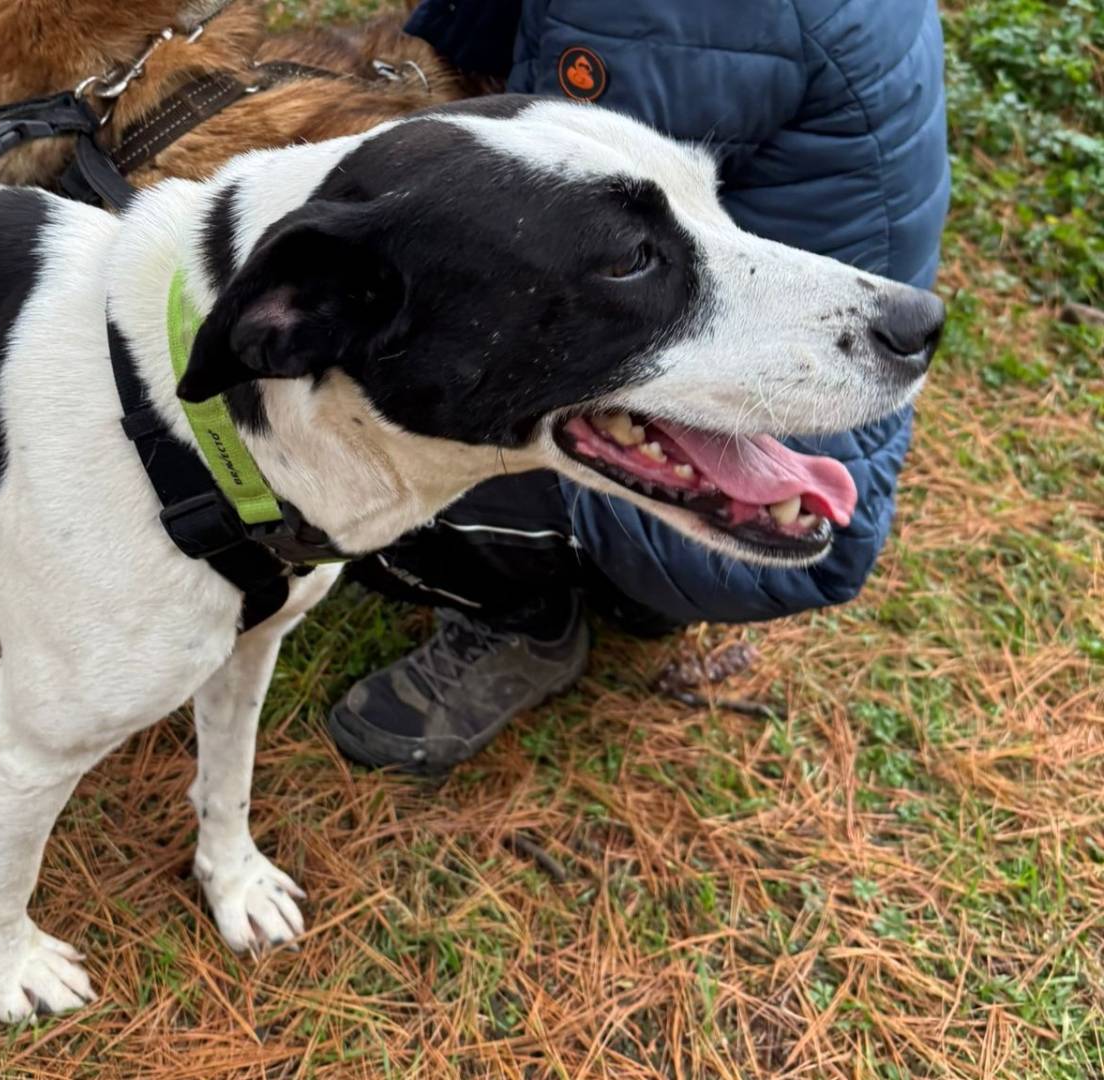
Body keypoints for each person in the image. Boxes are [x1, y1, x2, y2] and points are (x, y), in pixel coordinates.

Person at [326, 0, 950, 772]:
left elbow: (544, 228)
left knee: (327, 450)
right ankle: (631, 592)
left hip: (797, 405)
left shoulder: (650, 11)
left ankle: (530, 624)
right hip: (805, 366)